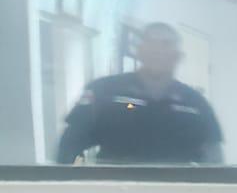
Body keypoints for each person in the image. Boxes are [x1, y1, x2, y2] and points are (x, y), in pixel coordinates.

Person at [56, 22, 224, 165]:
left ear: (178, 56)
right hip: (114, 189)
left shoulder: (195, 103)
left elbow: (215, 161)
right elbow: (69, 147)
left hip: (180, 190)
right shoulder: (105, 91)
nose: (157, 50)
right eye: (151, 42)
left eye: (166, 44)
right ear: (139, 51)